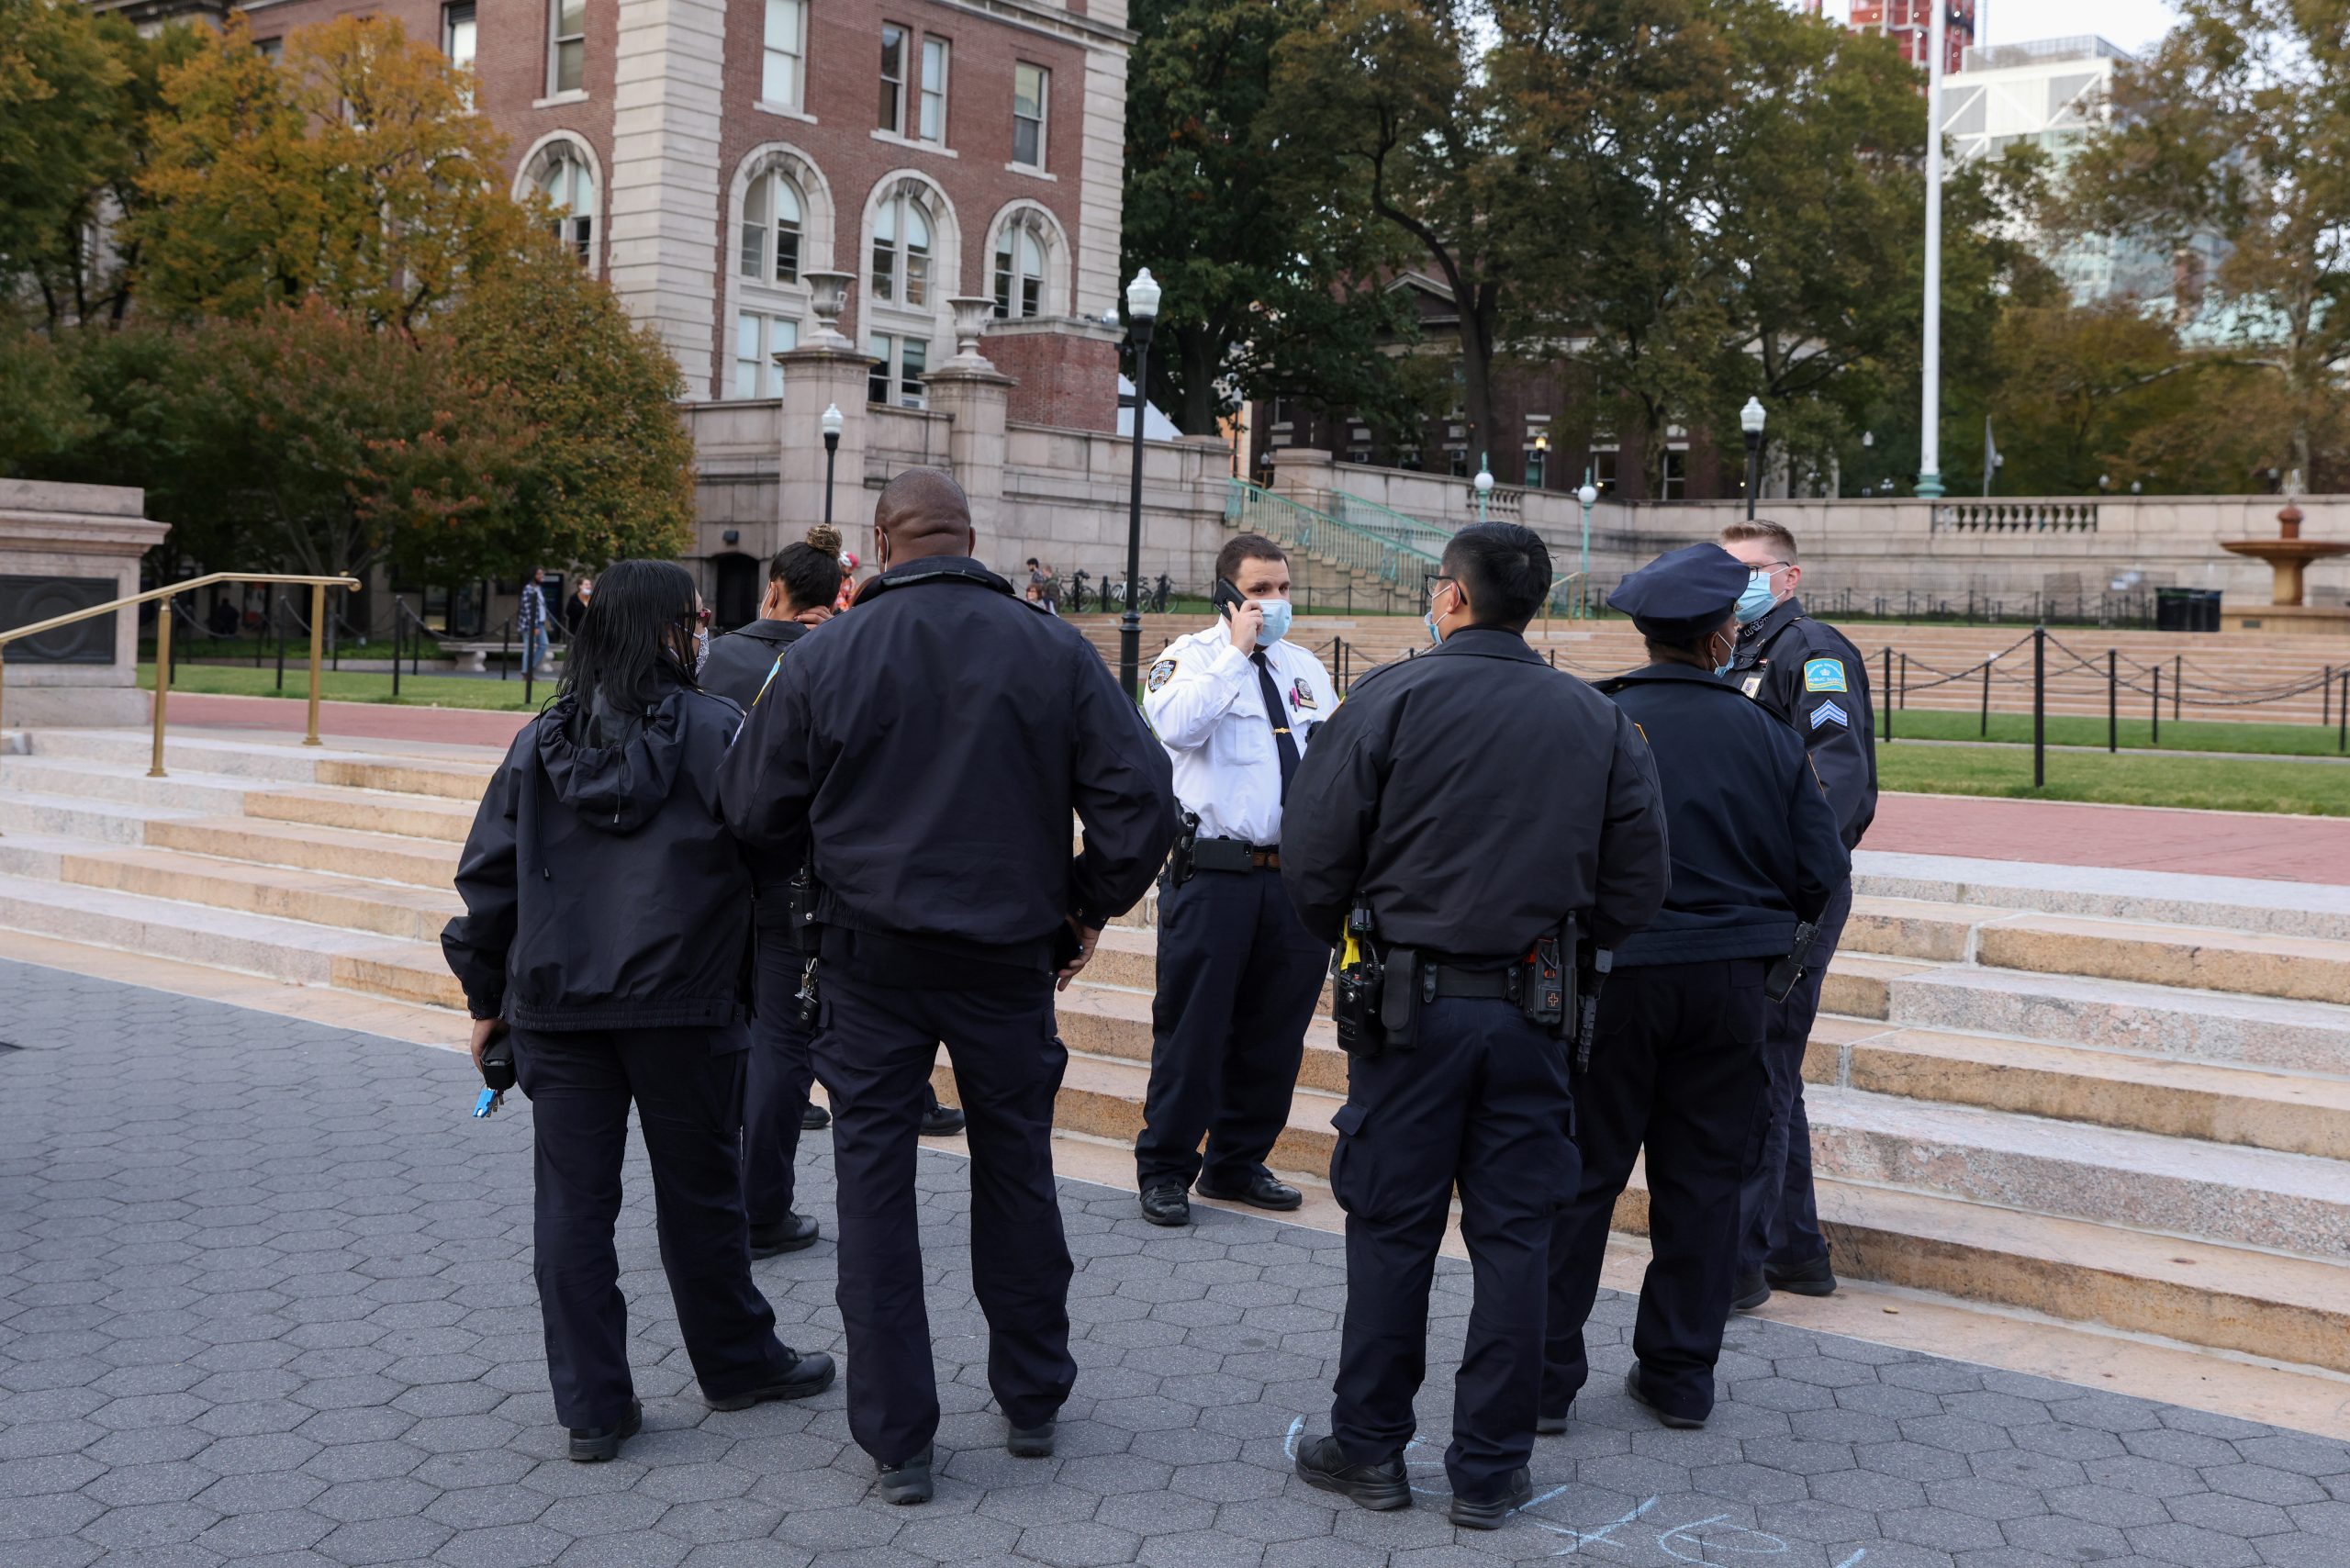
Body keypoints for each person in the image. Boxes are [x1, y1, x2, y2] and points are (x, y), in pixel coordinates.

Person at [722, 469, 1175, 1505]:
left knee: (872, 1184)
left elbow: (749, 806)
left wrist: (822, 857)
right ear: (972, 538)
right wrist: (1081, 906)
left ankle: (898, 1437)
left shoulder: (826, 653)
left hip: (867, 952)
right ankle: (1031, 1392)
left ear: (880, 545)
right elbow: (1142, 804)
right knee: (1015, 1166)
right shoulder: (1052, 647)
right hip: (1006, 951)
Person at [1281, 523, 1670, 1530]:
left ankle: (1369, 1448)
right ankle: (1488, 1471)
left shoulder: (1388, 700)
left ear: (1450, 596)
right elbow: (1637, 886)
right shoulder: (1594, 720)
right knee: (1514, 1239)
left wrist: (1360, 932)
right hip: (1533, 1008)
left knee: (1393, 1230)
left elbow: (1313, 856)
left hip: (1408, 1010)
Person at [442, 559, 834, 1466]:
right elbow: (775, 849)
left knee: (572, 1206)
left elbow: (489, 879)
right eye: (693, 619)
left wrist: (484, 999)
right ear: (669, 630)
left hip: (560, 1004)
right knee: (699, 1195)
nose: (702, 631)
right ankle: (736, 1362)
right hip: (685, 1003)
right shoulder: (717, 730)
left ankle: (591, 1405)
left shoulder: (539, 739)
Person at [1544, 543, 1848, 1434]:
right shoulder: (1765, 735)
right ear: (1723, 635)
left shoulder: (1598, 719)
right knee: (1704, 1179)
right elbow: (1820, 868)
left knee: (1580, 1179)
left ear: (1643, 633)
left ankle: (1546, 1381)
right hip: (1726, 986)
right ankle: (1678, 1374)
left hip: (1615, 977)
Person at [1133, 534, 1338, 1227]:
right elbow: (1178, 727)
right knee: (1193, 1030)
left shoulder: (1305, 668)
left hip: (1292, 881)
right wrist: (1236, 653)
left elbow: (1334, 759)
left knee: (1273, 1034)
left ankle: (1236, 1161)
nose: (1275, 603)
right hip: (1214, 873)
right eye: (1259, 591)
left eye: (1283, 589)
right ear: (1227, 593)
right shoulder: (1184, 662)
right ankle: (1164, 1167)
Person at [1718, 520, 1877, 1310]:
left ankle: (1740, 1264)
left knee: (1760, 1069)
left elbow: (1836, 778)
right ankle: (1795, 1250)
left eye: (1754, 568)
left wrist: (1778, 872)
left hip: (1788, 889)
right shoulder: (1733, 652)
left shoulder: (1810, 651)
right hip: (1746, 887)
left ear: (1790, 576)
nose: (1741, 581)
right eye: (1729, 570)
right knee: (1772, 1069)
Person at [700, 527, 845, 1258]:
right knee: (782, 1044)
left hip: (716, 874)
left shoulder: (716, 656)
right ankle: (765, 1206)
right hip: (800, 875)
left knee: (725, 1034)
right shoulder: (838, 656)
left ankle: (709, 1197)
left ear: (776, 590)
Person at [518, 567, 552, 676]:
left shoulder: (539, 589)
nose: (541, 576)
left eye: (542, 574)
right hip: (529, 624)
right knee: (529, 648)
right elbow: (529, 610)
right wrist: (534, 626)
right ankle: (525, 672)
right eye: (539, 574)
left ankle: (529, 668)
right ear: (533, 576)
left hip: (540, 623)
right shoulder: (528, 589)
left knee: (544, 644)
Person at [563, 576, 594, 640]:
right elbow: (568, 612)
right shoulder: (574, 598)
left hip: (590, 631)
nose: (589, 586)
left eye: (590, 584)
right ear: (580, 586)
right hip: (577, 630)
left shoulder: (593, 598)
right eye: (586, 584)